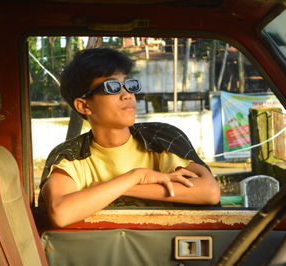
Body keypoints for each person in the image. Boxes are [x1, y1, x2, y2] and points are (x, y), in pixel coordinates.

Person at [40, 48, 220, 228]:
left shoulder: (161, 138)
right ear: (84, 106)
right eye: (112, 87)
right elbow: (61, 213)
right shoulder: (70, 156)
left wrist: (116, 187)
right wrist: (137, 175)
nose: (127, 94)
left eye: (129, 85)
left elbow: (209, 191)